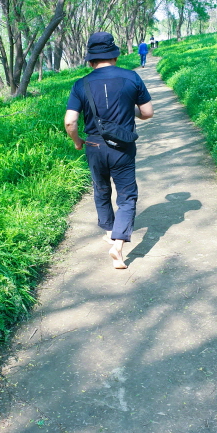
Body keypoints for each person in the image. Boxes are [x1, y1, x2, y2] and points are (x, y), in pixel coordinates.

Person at [64, 32, 154, 269]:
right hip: (122, 147)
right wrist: (129, 109)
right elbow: (147, 113)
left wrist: (77, 141)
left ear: (91, 60)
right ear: (115, 56)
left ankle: (109, 230)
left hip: (93, 145)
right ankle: (118, 244)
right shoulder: (132, 78)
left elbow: (70, 122)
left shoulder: (80, 84)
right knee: (126, 196)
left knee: (101, 189)